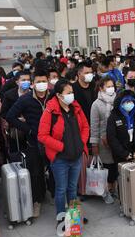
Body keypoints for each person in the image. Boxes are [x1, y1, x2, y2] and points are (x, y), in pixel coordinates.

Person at [37, 79, 89, 227]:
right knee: (61, 189)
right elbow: (42, 135)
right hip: (60, 159)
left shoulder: (76, 108)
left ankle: (73, 217)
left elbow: (85, 127)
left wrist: (81, 143)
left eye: (72, 92)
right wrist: (61, 146)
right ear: (59, 95)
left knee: (72, 188)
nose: (72, 95)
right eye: (69, 93)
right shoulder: (50, 111)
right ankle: (61, 218)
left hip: (76, 157)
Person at [6, 69, 50, 217]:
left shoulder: (53, 97)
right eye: (38, 82)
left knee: (54, 170)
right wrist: (29, 130)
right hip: (34, 142)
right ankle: (36, 202)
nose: (41, 84)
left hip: (52, 141)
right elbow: (10, 116)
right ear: (32, 84)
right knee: (36, 173)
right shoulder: (25, 99)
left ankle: (58, 199)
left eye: (44, 81)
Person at [106, 89, 135, 181]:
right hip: (121, 155)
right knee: (123, 180)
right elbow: (112, 138)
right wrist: (124, 154)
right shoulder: (113, 117)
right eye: (126, 101)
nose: (130, 103)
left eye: (131, 101)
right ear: (120, 103)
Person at [90, 77, 117, 204]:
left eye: (112, 86)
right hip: (103, 141)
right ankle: (106, 191)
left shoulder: (117, 100)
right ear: (101, 88)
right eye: (108, 86)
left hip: (116, 140)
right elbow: (94, 126)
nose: (111, 88)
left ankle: (113, 189)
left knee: (115, 167)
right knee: (107, 167)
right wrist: (94, 144)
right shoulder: (96, 104)